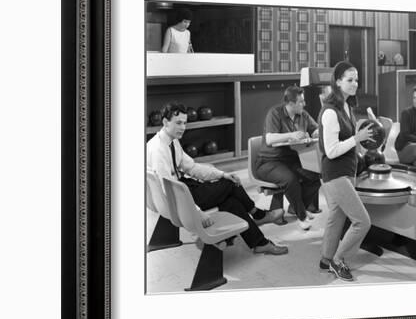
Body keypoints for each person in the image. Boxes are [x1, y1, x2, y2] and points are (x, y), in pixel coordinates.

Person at [147, 102, 288, 255]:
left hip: (185, 189)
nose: (183, 127)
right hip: (182, 199)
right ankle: (258, 214)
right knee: (230, 184)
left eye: (185, 123)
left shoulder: (171, 141)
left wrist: (221, 174)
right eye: (178, 123)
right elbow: (168, 190)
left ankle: (260, 243)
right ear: (165, 122)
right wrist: (196, 212)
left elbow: (192, 168)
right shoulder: (158, 150)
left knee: (231, 203)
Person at [317, 61, 377, 281]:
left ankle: (325, 260)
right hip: (335, 174)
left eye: (356, 79)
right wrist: (356, 138)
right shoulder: (330, 112)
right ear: (338, 81)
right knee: (362, 221)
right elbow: (331, 151)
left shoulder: (347, 106)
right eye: (350, 80)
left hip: (347, 170)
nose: (355, 84)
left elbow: (349, 139)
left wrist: (363, 135)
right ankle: (338, 260)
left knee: (336, 216)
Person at [255, 86, 322, 231]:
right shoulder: (274, 113)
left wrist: (316, 133)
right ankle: (302, 216)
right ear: (290, 103)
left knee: (315, 176)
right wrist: (291, 135)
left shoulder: (302, 114)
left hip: (290, 160)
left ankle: (297, 207)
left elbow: (314, 128)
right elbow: (270, 139)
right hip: (268, 162)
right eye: (301, 102)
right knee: (290, 179)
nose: (304, 104)